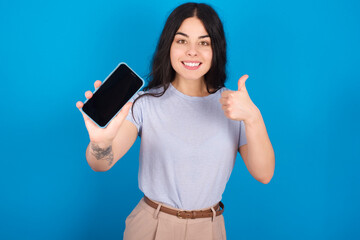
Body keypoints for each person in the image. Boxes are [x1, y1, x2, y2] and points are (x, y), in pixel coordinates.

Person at [76, 2, 275, 240]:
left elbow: (264, 174)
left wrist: (253, 117)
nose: (192, 51)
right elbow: (100, 164)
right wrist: (101, 142)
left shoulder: (235, 106)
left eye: (204, 42)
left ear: (216, 50)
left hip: (209, 229)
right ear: (168, 45)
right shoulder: (143, 103)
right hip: (151, 226)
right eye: (182, 41)